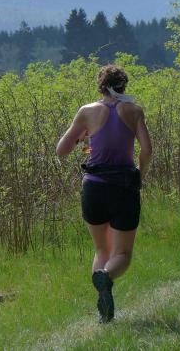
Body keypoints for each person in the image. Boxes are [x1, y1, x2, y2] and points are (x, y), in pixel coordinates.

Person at [56, 64, 152, 323]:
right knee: (122, 255)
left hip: (94, 188)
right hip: (124, 187)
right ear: (124, 85)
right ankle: (106, 277)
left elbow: (61, 151)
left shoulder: (86, 111)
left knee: (102, 250)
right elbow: (147, 150)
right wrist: (140, 173)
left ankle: (103, 309)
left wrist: (81, 137)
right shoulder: (134, 111)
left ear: (101, 86)